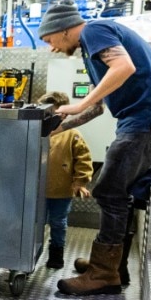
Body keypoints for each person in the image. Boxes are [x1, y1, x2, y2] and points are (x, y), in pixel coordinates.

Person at [37, 1, 151, 295]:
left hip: (148, 118)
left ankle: (104, 273)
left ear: (65, 30)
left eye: (50, 40)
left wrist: (77, 103)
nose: (51, 48)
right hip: (142, 118)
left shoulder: (94, 30)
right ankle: (113, 266)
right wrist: (60, 126)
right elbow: (98, 107)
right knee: (118, 191)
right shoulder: (92, 50)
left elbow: (124, 66)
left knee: (109, 190)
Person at [38, 90, 93, 270]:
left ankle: (56, 254)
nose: (52, 118)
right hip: (35, 190)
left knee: (57, 222)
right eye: (48, 114)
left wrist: (80, 182)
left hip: (60, 190)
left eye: (56, 114)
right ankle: (30, 253)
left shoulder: (71, 134)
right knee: (34, 222)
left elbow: (83, 159)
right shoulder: (34, 133)